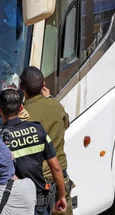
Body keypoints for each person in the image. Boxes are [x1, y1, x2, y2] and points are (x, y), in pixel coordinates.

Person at [0, 89, 66, 215]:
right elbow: (56, 168)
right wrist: (62, 196)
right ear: (21, 108)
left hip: (15, 205)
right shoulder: (38, 129)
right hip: (40, 203)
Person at [20, 67, 73, 215]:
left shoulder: (21, 114)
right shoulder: (55, 106)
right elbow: (66, 124)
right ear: (43, 85)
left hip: (35, 184)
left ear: (21, 88)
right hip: (60, 181)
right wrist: (49, 99)